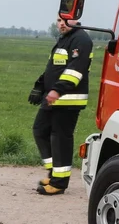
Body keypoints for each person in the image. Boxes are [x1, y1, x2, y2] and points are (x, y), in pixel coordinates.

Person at [29, 16, 93, 195]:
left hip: (69, 99)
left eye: (67, 19)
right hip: (54, 98)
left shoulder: (81, 39)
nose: (62, 23)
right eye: (59, 19)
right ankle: (54, 172)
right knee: (40, 131)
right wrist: (40, 85)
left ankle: (59, 183)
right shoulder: (64, 39)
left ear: (78, 19)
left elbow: (75, 70)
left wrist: (57, 90)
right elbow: (54, 67)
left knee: (60, 139)